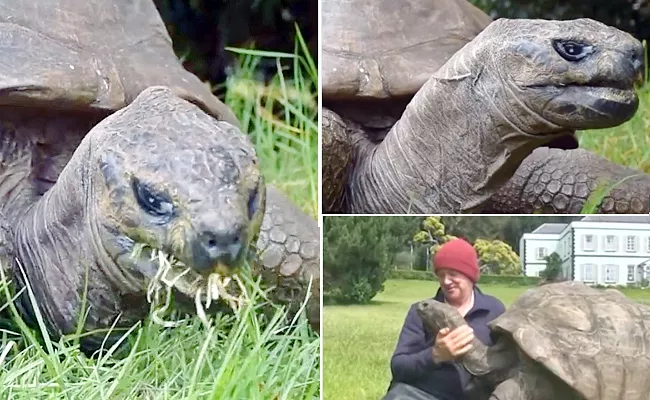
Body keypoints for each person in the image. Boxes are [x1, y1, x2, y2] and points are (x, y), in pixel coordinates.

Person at [383, 238, 506, 400]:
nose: (446, 281)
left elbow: (508, 362)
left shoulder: (494, 309)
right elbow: (399, 367)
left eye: (453, 274)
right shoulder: (422, 311)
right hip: (425, 394)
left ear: (470, 276)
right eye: (441, 275)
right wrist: (435, 354)